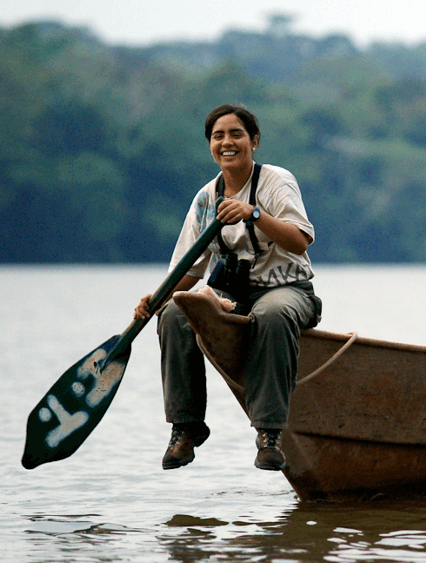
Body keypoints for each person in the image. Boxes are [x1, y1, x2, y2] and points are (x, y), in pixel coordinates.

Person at [133, 104, 322, 471]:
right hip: (233, 297)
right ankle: (186, 427)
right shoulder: (206, 198)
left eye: (236, 134)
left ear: (254, 141)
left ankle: (269, 432)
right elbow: (188, 270)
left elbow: (300, 241)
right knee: (175, 312)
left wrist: (253, 213)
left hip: (288, 290)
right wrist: (153, 300)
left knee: (273, 313)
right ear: (210, 145)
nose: (227, 143)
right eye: (218, 136)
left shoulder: (275, 181)